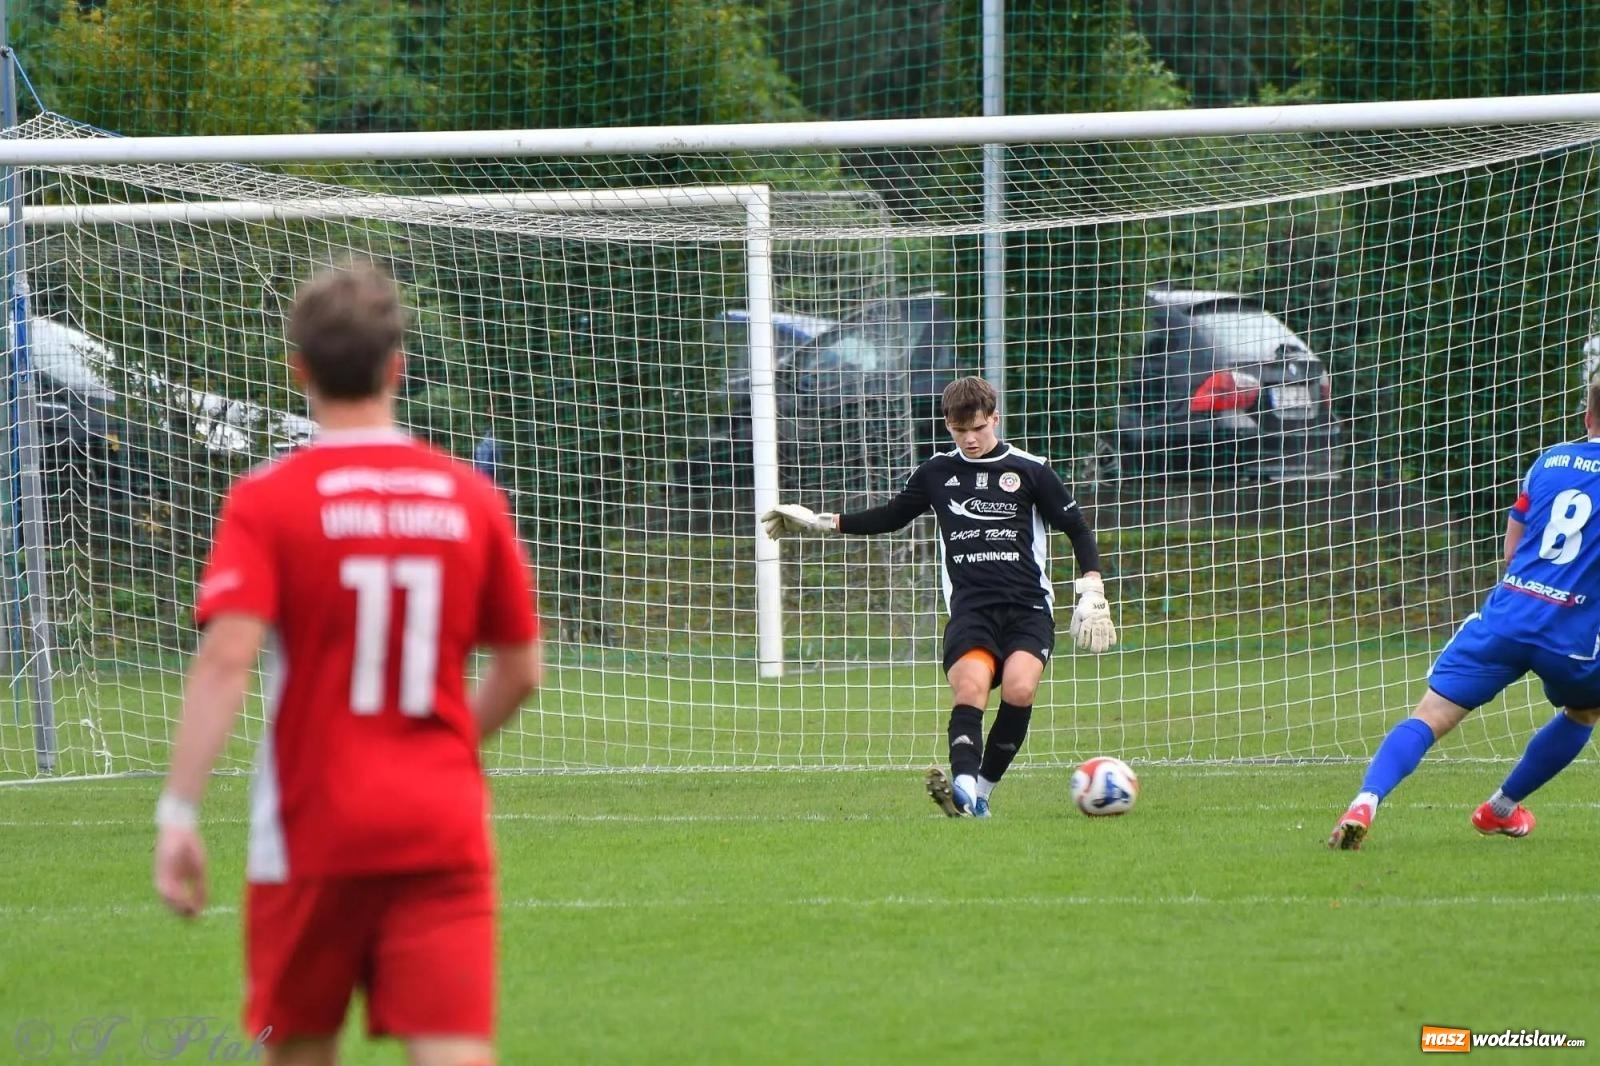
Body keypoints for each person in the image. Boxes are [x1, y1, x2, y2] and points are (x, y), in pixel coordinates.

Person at [152, 262, 543, 1066]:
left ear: (298, 370)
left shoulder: (269, 499)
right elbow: (522, 669)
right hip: (439, 818)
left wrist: (179, 814)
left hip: (311, 825)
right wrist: (445, 744)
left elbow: (228, 658)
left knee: (297, 1047)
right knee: (455, 1049)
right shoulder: (468, 496)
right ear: (397, 365)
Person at [762, 375, 1116, 818]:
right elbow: (891, 516)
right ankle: (963, 788)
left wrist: (1092, 589)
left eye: (978, 429)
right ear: (947, 425)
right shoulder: (936, 473)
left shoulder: (1030, 469)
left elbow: (1077, 529)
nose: (969, 439)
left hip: (1028, 608)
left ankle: (982, 791)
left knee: (1020, 689)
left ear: (995, 419)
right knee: (969, 688)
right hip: (971, 610)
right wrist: (822, 522)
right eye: (958, 430)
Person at [1329, 379, 1600, 850]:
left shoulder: (1549, 461)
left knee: (1430, 715)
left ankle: (1365, 802)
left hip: (1506, 615)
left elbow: (1512, 551)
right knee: (1584, 711)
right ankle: (1499, 809)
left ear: (1587, 417)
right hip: (1573, 636)